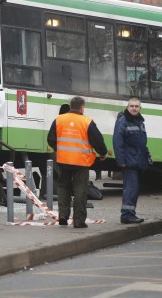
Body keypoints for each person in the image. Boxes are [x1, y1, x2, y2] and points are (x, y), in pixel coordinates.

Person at [47, 96, 108, 228]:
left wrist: (60, 150)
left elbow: (50, 139)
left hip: (63, 161)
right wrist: (102, 153)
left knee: (63, 187)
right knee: (80, 189)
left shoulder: (59, 120)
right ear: (82, 107)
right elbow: (98, 140)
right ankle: (79, 220)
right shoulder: (87, 122)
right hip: (81, 162)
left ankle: (63, 215)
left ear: (70, 106)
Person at [113, 97, 152, 224]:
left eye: (136, 106)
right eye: (131, 106)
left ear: (140, 108)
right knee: (131, 188)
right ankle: (126, 215)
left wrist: (147, 155)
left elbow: (142, 143)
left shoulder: (140, 122)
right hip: (129, 161)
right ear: (127, 107)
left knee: (134, 189)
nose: (134, 108)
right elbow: (117, 142)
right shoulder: (123, 121)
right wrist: (121, 160)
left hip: (138, 160)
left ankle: (130, 214)